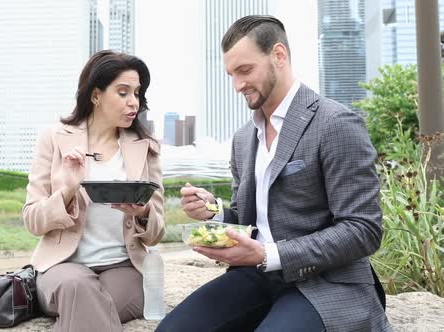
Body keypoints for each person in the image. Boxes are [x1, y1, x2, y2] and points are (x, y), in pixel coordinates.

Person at [156, 15, 392, 332]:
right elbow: (254, 216)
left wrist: (270, 253)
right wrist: (213, 210)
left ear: (278, 56)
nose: (237, 85)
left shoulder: (335, 123)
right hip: (258, 275)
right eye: (231, 74)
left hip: (326, 282)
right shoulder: (243, 139)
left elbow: (363, 229)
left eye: (245, 70)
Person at [23, 50, 165, 332]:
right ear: (96, 95)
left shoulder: (145, 146)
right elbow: (32, 220)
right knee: (78, 287)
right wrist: (66, 190)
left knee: (87, 304)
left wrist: (144, 212)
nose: (133, 102)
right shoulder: (54, 138)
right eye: (122, 92)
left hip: (124, 268)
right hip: (63, 266)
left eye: (137, 93)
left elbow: (157, 232)